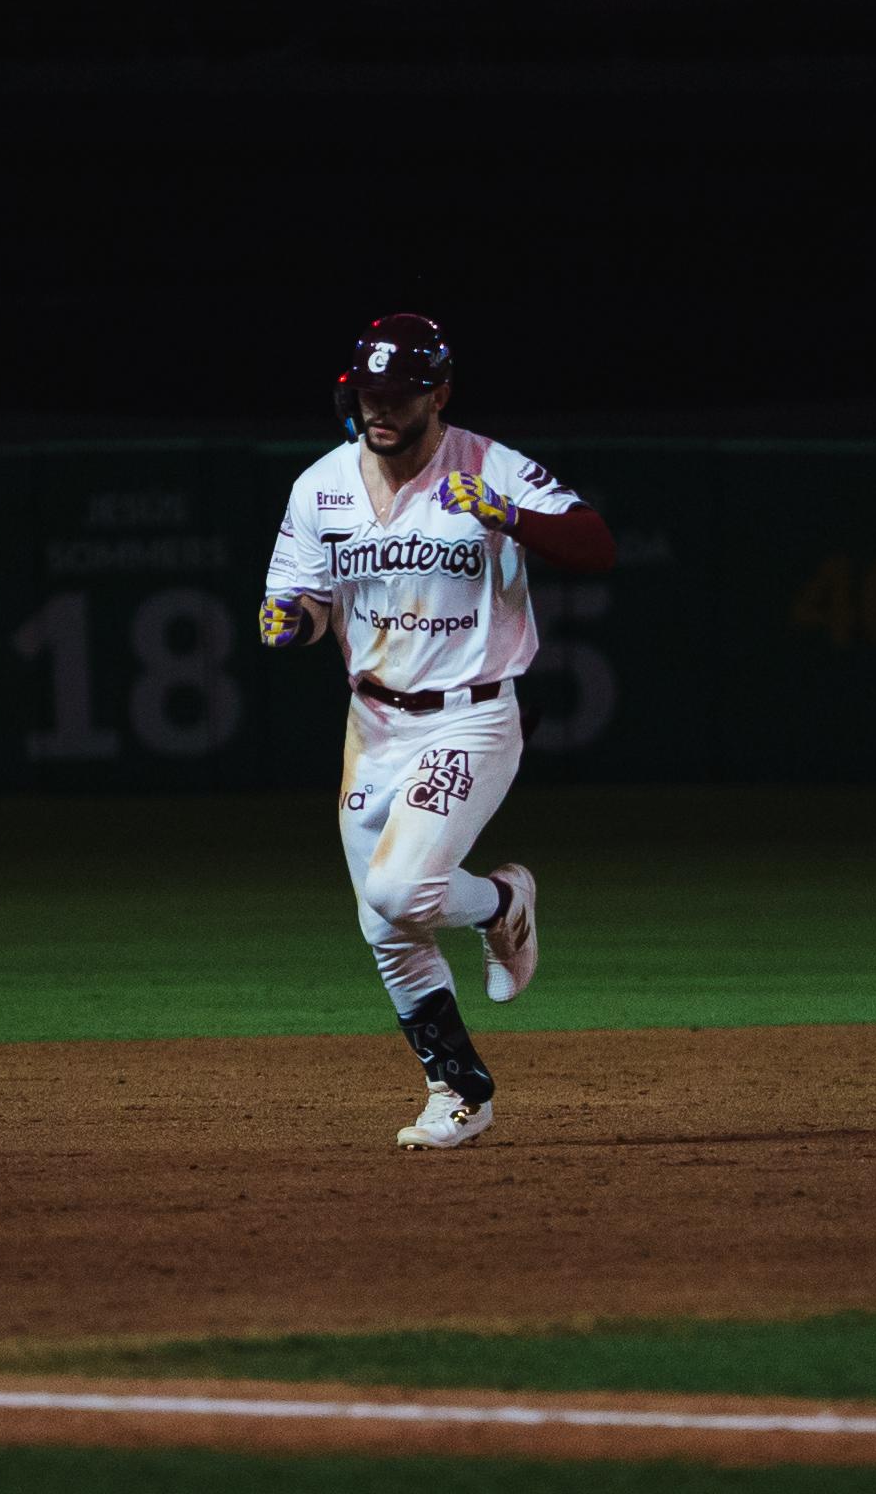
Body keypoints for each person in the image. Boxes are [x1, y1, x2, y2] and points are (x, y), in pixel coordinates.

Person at [260, 313, 615, 1149]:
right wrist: (292, 621)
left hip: (472, 714)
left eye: (398, 394)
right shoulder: (321, 486)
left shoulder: (490, 466)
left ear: (439, 394)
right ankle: (460, 1092)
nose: (379, 408)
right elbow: (302, 602)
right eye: (366, 392)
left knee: (397, 892)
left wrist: (508, 515)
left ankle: (502, 902)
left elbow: (595, 544)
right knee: (385, 929)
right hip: (372, 722)